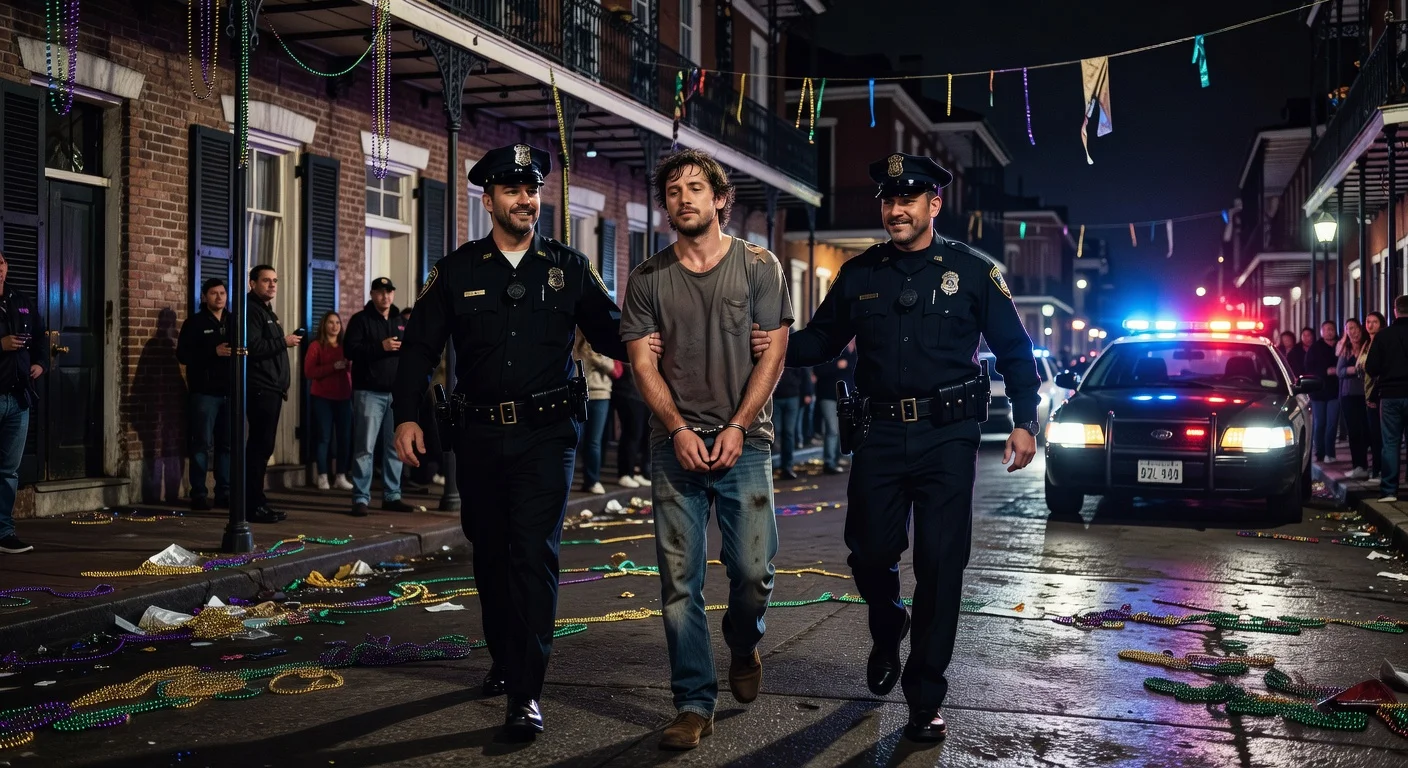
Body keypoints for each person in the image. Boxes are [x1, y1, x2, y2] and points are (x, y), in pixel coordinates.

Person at [391, 144, 773, 740]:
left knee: (534, 553)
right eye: (512, 190)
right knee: (489, 554)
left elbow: (624, 337)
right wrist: (407, 417)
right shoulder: (457, 270)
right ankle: (504, 654)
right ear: (487, 199)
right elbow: (418, 348)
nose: (525, 200)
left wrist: (693, 343)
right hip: (480, 436)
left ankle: (526, 690)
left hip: (548, 436)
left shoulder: (568, 267)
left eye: (532, 189)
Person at [781, 152, 1040, 743]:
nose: (896, 210)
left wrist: (1026, 422)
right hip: (877, 434)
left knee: (942, 565)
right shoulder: (860, 273)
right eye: (888, 200)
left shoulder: (972, 272)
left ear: (933, 204)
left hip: (948, 437)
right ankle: (887, 621)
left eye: (908, 199)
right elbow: (822, 339)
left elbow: (1016, 352)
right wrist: (769, 343)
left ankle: (924, 696)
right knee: (870, 555)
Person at [621, 148, 791, 751]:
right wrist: (677, 430)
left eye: (696, 188)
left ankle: (743, 642)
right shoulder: (646, 279)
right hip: (676, 448)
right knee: (678, 584)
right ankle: (694, 701)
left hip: (745, 442)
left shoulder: (759, 266)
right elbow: (643, 363)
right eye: (673, 191)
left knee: (751, 573)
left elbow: (775, 352)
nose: (684, 198)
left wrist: (739, 425)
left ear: (720, 199)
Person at [345, 278, 420, 517]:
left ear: (393, 294)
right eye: (380, 292)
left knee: (394, 445)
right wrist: (381, 347)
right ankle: (360, 498)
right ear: (372, 294)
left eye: (389, 292)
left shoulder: (401, 321)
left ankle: (392, 495)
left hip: (396, 394)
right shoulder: (360, 320)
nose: (385, 297)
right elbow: (350, 351)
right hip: (368, 392)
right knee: (364, 447)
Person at [244, 265, 300, 524]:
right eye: (266, 280)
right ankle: (251, 505)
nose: (272, 285)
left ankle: (257, 501)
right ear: (252, 283)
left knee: (263, 447)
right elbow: (252, 347)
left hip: (272, 389)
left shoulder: (267, 311)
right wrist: (284, 342)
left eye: (275, 280)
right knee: (259, 447)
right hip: (260, 388)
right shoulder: (251, 310)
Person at [0, 250, 45, 555]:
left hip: (19, 398)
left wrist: (41, 363)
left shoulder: (20, 300)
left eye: (0, 263)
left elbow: (41, 337)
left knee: (8, 471)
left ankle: (4, 532)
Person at [177, 278, 233, 511]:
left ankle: (225, 492)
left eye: (222, 293)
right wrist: (213, 351)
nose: (219, 297)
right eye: (213, 293)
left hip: (230, 393)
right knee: (202, 444)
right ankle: (199, 493)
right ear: (204, 297)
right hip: (204, 394)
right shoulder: (195, 323)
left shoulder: (234, 321)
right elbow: (183, 355)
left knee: (227, 445)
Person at [304, 310, 354, 491]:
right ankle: (322, 475)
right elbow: (309, 372)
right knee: (324, 437)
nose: (335, 326)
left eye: (338, 323)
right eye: (331, 322)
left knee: (344, 438)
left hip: (344, 397)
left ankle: (341, 475)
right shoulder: (316, 346)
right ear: (324, 325)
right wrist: (332, 367)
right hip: (322, 397)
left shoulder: (345, 347)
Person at [1366, 297, 1408, 502]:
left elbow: (1371, 368)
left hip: (1390, 395)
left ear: (1395, 311)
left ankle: (1390, 490)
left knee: (1390, 443)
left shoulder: (1383, 336)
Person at [573, 333, 615, 494]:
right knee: (576, 439)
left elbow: (611, 368)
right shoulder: (574, 339)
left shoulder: (601, 339)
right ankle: (570, 480)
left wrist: (593, 355)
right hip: (577, 394)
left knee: (594, 442)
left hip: (600, 394)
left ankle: (592, 480)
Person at [813, 339, 857, 474]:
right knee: (832, 429)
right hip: (828, 395)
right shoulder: (832, 349)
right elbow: (818, 369)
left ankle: (838, 457)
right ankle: (829, 462)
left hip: (847, 397)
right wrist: (837, 365)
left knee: (842, 429)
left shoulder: (855, 351)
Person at [1337, 317, 1370, 479]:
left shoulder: (1368, 346)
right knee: (1354, 432)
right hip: (1348, 395)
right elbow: (1339, 371)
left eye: (1354, 327)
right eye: (1348, 328)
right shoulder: (1346, 349)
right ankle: (1359, 465)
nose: (1352, 331)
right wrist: (1352, 370)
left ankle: (1369, 466)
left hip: (1366, 394)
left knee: (1367, 431)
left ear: (1360, 328)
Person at [611, 361, 652, 488]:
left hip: (643, 395)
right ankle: (625, 473)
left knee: (646, 434)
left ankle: (640, 471)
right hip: (628, 392)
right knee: (632, 433)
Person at [1306, 320, 1340, 463]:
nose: (1329, 332)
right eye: (1326, 329)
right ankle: (1319, 452)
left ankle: (1330, 453)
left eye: (1332, 329)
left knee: (1332, 423)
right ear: (1321, 332)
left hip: (1336, 390)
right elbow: (1308, 368)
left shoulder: (1341, 345)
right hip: (1319, 392)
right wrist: (1325, 371)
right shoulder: (1315, 348)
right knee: (1320, 423)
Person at [773, 354, 806, 480]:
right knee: (776, 432)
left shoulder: (794, 347)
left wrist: (806, 392)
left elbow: (803, 372)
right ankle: (775, 465)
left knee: (788, 433)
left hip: (792, 396)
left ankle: (787, 466)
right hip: (776, 396)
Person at [1363, 311, 1386, 479]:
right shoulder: (1366, 344)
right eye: (1368, 321)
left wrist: (1374, 397)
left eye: (1375, 322)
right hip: (1366, 393)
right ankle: (1376, 469)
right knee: (1372, 435)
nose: (1370, 325)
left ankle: (1379, 471)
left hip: (1377, 394)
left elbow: (1380, 372)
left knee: (1379, 436)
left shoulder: (1383, 343)